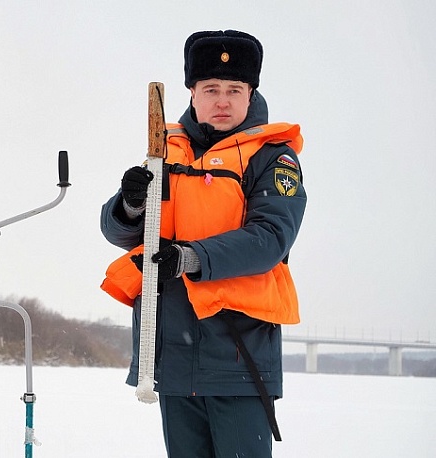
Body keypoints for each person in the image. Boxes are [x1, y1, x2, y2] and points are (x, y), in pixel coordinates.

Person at [100, 30, 306, 457]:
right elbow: (120, 232)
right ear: (192, 93)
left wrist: (190, 257)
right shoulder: (163, 152)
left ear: (251, 95)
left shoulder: (273, 158)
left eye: (235, 90)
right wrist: (131, 204)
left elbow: (271, 237)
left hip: (238, 358)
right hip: (172, 358)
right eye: (211, 89)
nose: (223, 101)